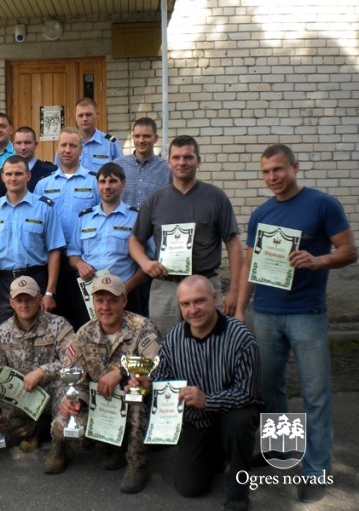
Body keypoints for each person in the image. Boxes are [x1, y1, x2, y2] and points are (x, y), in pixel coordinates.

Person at [235, 144, 357, 504]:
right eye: (266, 172)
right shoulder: (261, 213)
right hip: (267, 313)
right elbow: (249, 266)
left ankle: (316, 469)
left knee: (315, 395)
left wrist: (317, 260)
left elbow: (349, 250)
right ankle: (283, 453)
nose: (273, 177)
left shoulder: (322, 204)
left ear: (295, 167)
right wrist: (241, 309)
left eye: (278, 170)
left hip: (307, 313)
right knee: (271, 389)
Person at [133, 275, 260, 511]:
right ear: (179, 306)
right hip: (196, 420)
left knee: (240, 421)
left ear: (215, 298)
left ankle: (238, 490)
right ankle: (217, 452)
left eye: (199, 301)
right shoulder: (173, 339)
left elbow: (248, 394)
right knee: (189, 488)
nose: (193, 310)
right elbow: (162, 379)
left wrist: (208, 400)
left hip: (231, 414)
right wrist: (147, 383)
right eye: (186, 304)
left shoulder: (242, 338)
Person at [44, 274, 160, 494]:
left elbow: (153, 364)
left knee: (136, 399)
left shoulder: (142, 327)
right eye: (100, 300)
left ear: (124, 301)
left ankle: (137, 463)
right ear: (93, 302)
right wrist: (73, 398)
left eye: (112, 300)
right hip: (103, 406)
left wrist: (122, 372)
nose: (105, 306)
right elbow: (72, 375)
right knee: (67, 422)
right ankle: (108, 446)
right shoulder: (85, 333)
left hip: (133, 400)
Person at [129, 135, 243, 337]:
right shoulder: (155, 199)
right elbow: (135, 240)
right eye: (177, 157)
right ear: (169, 162)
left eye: (188, 157)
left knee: (210, 345)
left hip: (204, 285)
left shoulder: (216, 197)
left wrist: (234, 291)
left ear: (198, 161)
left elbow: (233, 243)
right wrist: (146, 263)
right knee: (164, 346)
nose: (182, 162)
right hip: (165, 287)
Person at [0, 276, 75, 452]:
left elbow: (72, 362)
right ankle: (35, 430)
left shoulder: (59, 325)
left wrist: (43, 371)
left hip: (53, 390)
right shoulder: (2, 332)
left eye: (29, 299)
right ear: (11, 303)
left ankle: (58, 448)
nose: (24, 305)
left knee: (68, 399)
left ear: (40, 299)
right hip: (23, 395)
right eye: (19, 300)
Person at [0, 155, 65, 326]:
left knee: (41, 334)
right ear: (2, 177)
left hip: (36, 280)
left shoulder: (44, 207)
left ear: (28, 176)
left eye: (19, 174)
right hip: (3, 285)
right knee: (5, 336)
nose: (13, 178)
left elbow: (54, 251)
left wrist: (50, 293)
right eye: (9, 174)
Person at [35, 127, 100, 329]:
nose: (67, 150)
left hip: (83, 263)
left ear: (81, 150)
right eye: (63, 145)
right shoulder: (43, 184)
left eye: (73, 145)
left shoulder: (94, 181)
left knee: (85, 319)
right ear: (57, 148)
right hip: (51, 263)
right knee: (53, 321)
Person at [68, 163, 150, 319]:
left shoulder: (136, 218)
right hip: (92, 295)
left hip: (125, 293)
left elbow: (147, 260)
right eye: (102, 181)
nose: (107, 186)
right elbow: (73, 254)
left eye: (112, 181)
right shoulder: (85, 218)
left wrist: (128, 287)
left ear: (123, 184)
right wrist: (80, 264)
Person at [115, 117, 172, 209]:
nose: (141, 140)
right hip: (124, 223)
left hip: (154, 222)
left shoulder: (167, 169)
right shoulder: (118, 165)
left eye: (146, 136)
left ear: (156, 138)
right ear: (133, 138)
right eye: (137, 136)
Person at [54, 97, 122, 172]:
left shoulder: (111, 143)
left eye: (89, 114)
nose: (84, 119)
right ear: (75, 117)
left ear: (97, 115)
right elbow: (57, 171)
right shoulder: (66, 144)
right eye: (80, 115)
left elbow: (121, 173)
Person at [0, 126, 57, 197]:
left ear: (35, 145)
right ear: (13, 145)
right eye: (19, 143)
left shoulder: (51, 171)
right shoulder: (4, 173)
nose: (23, 147)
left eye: (27, 143)